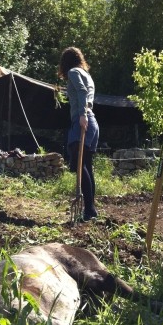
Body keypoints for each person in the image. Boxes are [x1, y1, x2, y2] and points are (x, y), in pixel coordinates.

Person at [58, 47, 99, 221]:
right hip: (91, 121)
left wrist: (82, 114)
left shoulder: (74, 72)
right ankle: (90, 210)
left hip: (83, 120)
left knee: (78, 164)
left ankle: (89, 210)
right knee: (86, 165)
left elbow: (82, 92)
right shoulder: (86, 74)